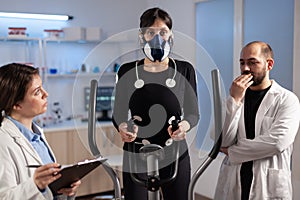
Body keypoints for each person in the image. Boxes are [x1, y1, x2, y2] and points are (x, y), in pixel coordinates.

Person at [112, 7, 199, 200]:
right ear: (142, 36)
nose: (157, 37)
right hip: (136, 148)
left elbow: (193, 114)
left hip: (174, 147)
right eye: (150, 32)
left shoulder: (184, 70)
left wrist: (183, 127)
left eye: (163, 32)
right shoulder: (127, 70)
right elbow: (118, 114)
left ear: (171, 35)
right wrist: (123, 127)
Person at [214, 41, 300, 200]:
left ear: (269, 65)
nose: (245, 68)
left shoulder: (287, 100)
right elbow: (223, 140)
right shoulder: (235, 98)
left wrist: (233, 151)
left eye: (252, 62)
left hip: (268, 185)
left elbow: (277, 142)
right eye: (242, 63)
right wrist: (234, 101)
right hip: (234, 178)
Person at [0, 63, 81, 200]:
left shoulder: (36, 135)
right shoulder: (3, 141)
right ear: (16, 104)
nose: (46, 94)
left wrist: (65, 189)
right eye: (37, 92)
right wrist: (35, 185)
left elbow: (49, 191)